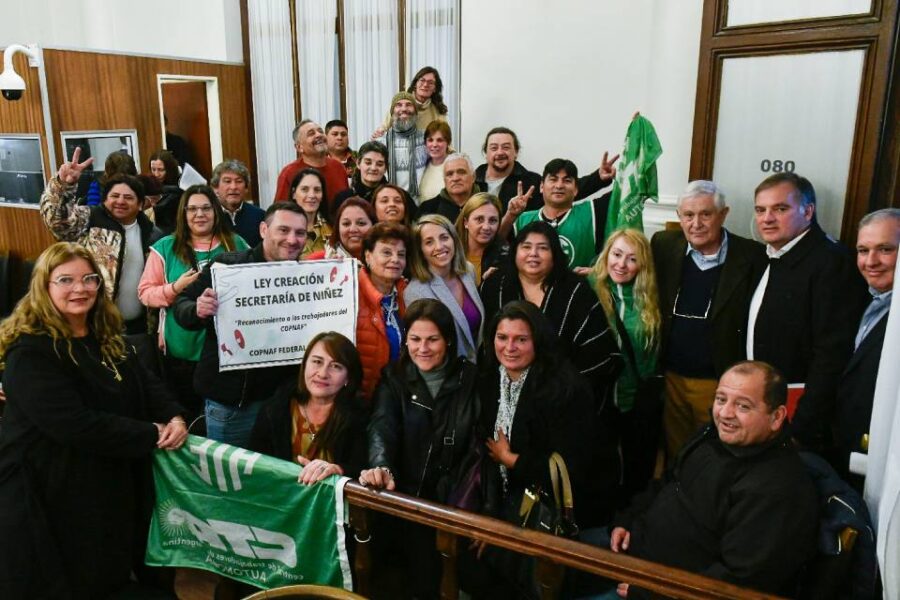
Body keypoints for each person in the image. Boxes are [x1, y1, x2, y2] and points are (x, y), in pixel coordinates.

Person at [0, 242, 187, 598]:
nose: (80, 288)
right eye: (66, 280)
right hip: (49, 491)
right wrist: (152, 433)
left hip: (102, 481)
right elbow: (75, 424)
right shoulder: (30, 351)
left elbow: (146, 383)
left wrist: (174, 416)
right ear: (44, 286)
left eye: (89, 279)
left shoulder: (105, 336)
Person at [597, 361, 818, 599]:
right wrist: (628, 520)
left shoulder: (777, 490)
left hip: (662, 588)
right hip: (630, 548)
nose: (725, 414)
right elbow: (667, 482)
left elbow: (738, 582)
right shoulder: (711, 436)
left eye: (743, 406)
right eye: (721, 399)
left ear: (776, 417)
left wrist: (654, 593)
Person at [476, 301, 613, 584]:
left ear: (538, 341)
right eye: (502, 337)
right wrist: (491, 515)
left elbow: (574, 466)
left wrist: (511, 460)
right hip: (508, 501)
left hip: (554, 508)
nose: (509, 347)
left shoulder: (565, 388)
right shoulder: (490, 378)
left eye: (521, 339)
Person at [361, 298, 479, 598]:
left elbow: (477, 446)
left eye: (432, 340)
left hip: (455, 505)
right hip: (407, 501)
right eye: (415, 339)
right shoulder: (394, 377)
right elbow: (381, 427)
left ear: (448, 340)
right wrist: (381, 465)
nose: (422, 348)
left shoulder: (471, 378)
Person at [747, 173, 868, 450]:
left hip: (799, 420)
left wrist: (802, 426)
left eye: (780, 209)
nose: (767, 218)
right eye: (760, 210)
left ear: (808, 211)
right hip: (762, 407)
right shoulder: (765, 255)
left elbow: (831, 355)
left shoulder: (832, 263)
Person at [172, 202, 308, 448]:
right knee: (230, 472)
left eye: (300, 233)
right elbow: (181, 304)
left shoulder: (310, 276)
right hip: (233, 405)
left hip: (284, 404)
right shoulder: (226, 267)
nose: (292, 239)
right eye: (283, 230)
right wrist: (197, 309)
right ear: (263, 229)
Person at [652, 180, 767, 460]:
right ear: (679, 217)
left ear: (723, 214)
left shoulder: (752, 256)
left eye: (706, 214)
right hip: (671, 377)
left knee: (716, 454)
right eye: (688, 215)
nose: (696, 224)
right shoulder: (663, 245)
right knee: (677, 452)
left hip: (720, 381)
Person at [138, 185, 249, 424]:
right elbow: (145, 294)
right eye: (192, 209)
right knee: (187, 418)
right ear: (183, 213)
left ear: (216, 211)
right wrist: (175, 288)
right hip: (181, 350)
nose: (200, 214)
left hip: (226, 353)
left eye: (206, 208)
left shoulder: (236, 243)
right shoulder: (165, 247)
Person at [480, 221, 621, 392]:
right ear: (515, 251)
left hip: (564, 392)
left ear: (554, 254)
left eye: (543, 248)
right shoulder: (494, 286)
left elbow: (596, 351)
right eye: (526, 247)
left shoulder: (576, 290)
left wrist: (562, 387)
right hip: (502, 388)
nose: (533, 254)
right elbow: (484, 343)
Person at [40, 148, 157, 338]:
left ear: (141, 204)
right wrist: (63, 185)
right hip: (96, 326)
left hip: (140, 330)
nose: (120, 201)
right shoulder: (90, 219)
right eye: (114, 196)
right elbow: (56, 220)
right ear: (104, 199)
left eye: (128, 197)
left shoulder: (151, 233)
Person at [831, 208, 900, 487]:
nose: (871, 261)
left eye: (885, 249)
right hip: (849, 453)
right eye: (863, 250)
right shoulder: (863, 299)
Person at [591, 229, 662, 502]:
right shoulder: (588, 288)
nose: (621, 264)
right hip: (599, 400)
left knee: (636, 469)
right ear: (606, 255)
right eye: (617, 254)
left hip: (636, 400)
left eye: (632, 259)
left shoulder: (651, 299)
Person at [250, 331, 367, 483]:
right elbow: (255, 465)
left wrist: (339, 470)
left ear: (348, 378)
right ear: (304, 365)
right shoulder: (275, 408)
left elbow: (364, 471)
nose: (323, 374)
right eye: (317, 362)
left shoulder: (361, 418)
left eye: (336, 366)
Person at [475, 126, 619, 216]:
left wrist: (598, 178)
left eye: (506, 147)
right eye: (494, 148)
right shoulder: (472, 181)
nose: (500, 152)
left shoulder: (530, 181)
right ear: (485, 153)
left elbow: (562, 191)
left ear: (516, 152)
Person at [509, 158, 616, 270]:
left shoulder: (592, 212)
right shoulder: (522, 220)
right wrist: (510, 215)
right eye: (553, 179)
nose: (559, 185)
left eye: (567, 181)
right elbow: (497, 243)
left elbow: (624, 195)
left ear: (576, 189)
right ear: (541, 186)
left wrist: (620, 176)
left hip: (578, 281)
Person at [405, 215, 484, 362]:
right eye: (429, 242)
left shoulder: (468, 271)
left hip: (478, 366)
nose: (439, 246)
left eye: (444, 238)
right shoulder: (415, 292)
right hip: (448, 369)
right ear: (420, 250)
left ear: (454, 239)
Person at [356, 222, 410, 401]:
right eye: (387, 252)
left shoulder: (408, 294)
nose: (395, 259)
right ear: (368, 256)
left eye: (401, 254)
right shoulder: (350, 294)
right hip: (360, 401)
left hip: (397, 398)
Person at [274, 119, 349, 206]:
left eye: (320, 131)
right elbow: (280, 210)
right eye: (311, 134)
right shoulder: (289, 173)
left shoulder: (338, 167)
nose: (319, 135)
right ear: (299, 147)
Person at [376, 92, 428, 197]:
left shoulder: (427, 140)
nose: (404, 109)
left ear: (416, 112)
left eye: (409, 105)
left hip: (421, 203)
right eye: (398, 105)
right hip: (391, 202)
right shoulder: (380, 143)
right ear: (392, 113)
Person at [373, 66, 449, 137]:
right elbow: (383, 129)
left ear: (435, 88)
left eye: (430, 82)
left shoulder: (438, 111)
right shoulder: (401, 104)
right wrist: (379, 134)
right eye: (422, 80)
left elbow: (445, 139)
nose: (425, 85)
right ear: (415, 84)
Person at [211, 159, 265, 247]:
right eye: (227, 181)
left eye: (239, 181)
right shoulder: (209, 216)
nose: (233, 187)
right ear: (216, 188)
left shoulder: (260, 216)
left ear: (246, 188)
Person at [456, 192, 506, 285]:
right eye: (479, 219)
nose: (486, 227)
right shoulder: (449, 254)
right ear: (465, 222)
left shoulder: (504, 258)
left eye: (492, 220)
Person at [417, 152, 480, 223]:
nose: (455, 178)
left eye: (461, 172)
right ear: (444, 180)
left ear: (473, 177)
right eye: (449, 174)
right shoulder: (428, 209)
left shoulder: (487, 203)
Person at [307, 197, 375, 261]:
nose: (353, 229)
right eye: (346, 224)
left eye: (361, 223)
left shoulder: (381, 262)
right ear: (338, 228)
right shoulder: (317, 260)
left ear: (374, 226)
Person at [332, 141, 391, 213]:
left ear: (386, 168)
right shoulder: (343, 198)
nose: (373, 168)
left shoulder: (394, 198)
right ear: (358, 163)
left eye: (379, 164)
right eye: (368, 163)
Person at [288, 168, 333, 258]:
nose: (312, 195)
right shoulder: (283, 230)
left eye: (317, 190)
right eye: (305, 189)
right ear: (293, 194)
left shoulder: (333, 229)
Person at [147, 148, 183, 234]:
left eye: (161, 170)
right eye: (153, 169)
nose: (156, 174)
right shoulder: (148, 186)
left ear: (169, 170)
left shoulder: (179, 189)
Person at [418, 120, 453, 203]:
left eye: (439, 140)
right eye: (430, 140)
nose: (434, 144)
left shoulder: (454, 165)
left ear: (448, 142)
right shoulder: (422, 166)